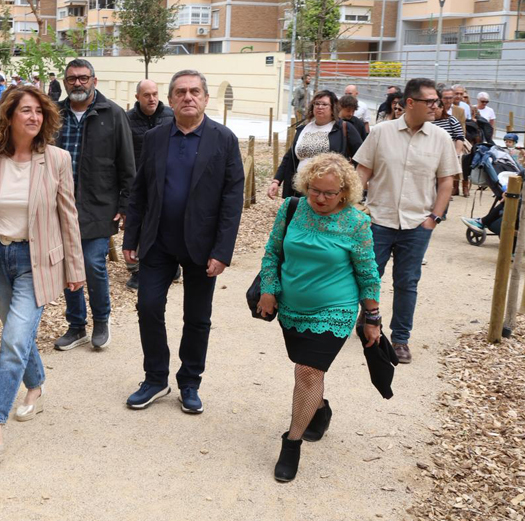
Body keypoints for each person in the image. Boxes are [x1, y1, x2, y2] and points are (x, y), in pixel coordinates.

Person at [0, 85, 85, 464]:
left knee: (14, 339)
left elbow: (68, 216)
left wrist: (75, 268)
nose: (34, 117)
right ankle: (36, 387)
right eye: (26, 111)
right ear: (9, 116)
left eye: (39, 112)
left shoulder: (57, 159)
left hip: (37, 262)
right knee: (18, 334)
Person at [123, 69, 244, 413]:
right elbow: (140, 191)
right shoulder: (157, 137)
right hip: (158, 241)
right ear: (171, 99)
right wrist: (131, 235)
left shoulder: (224, 140)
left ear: (206, 98)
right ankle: (155, 378)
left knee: (197, 317)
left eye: (195, 91)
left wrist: (222, 250)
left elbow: (232, 200)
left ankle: (190, 382)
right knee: (147, 307)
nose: (188, 97)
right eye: (181, 92)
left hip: (202, 246)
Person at [257, 153, 380, 482]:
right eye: (315, 190)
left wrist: (372, 317)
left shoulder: (357, 222)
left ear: (344, 192)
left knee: (308, 372)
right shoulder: (291, 209)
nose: (321, 199)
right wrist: (268, 289)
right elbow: (272, 251)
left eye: (329, 193)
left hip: (335, 310)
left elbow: (368, 274)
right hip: (291, 308)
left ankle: (291, 443)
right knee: (308, 375)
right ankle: (319, 409)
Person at [354, 78, 459, 365]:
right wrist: (354, 208)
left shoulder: (441, 139)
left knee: (407, 282)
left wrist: (434, 218)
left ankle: (400, 338)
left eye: (437, 101)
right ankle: (368, 317)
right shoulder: (380, 133)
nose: (436, 106)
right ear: (410, 102)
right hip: (377, 220)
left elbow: (446, 182)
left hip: (416, 224)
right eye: (431, 101)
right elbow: (362, 172)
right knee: (368, 276)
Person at [52, 58, 134, 352]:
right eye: (72, 78)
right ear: (65, 82)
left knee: (92, 263)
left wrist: (125, 203)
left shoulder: (112, 114)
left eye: (83, 78)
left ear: (94, 81)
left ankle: (101, 319)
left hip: (99, 204)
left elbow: (127, 163)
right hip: (58, 206)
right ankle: (76, 326)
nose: (78, 83)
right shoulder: (55, 114)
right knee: (65, 267)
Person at [124, 79, 175, 290]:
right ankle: (137, 269)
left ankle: (172, 265)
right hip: (138, 182)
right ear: (137, 97)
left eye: (155, 93)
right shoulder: (127, 120)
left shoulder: (170, 116)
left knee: (167, 223)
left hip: (166, 181)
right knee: (138, 224)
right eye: (147, 95)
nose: (152, 98)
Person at [268, 90, 362, 199]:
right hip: (299, 189)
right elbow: (290, 157)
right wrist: (276, 181)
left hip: (328, 193)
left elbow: (361, 156)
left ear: (333, 108)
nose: (320, 107)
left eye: (324, 104)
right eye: (317, 103)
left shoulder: (344, 128)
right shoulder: (303, 129)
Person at [463, 143, 525, 235]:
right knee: (509, 200)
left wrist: (505, 195)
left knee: (506, 204)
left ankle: (482, 222)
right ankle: (482, 221)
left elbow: (510, 194)